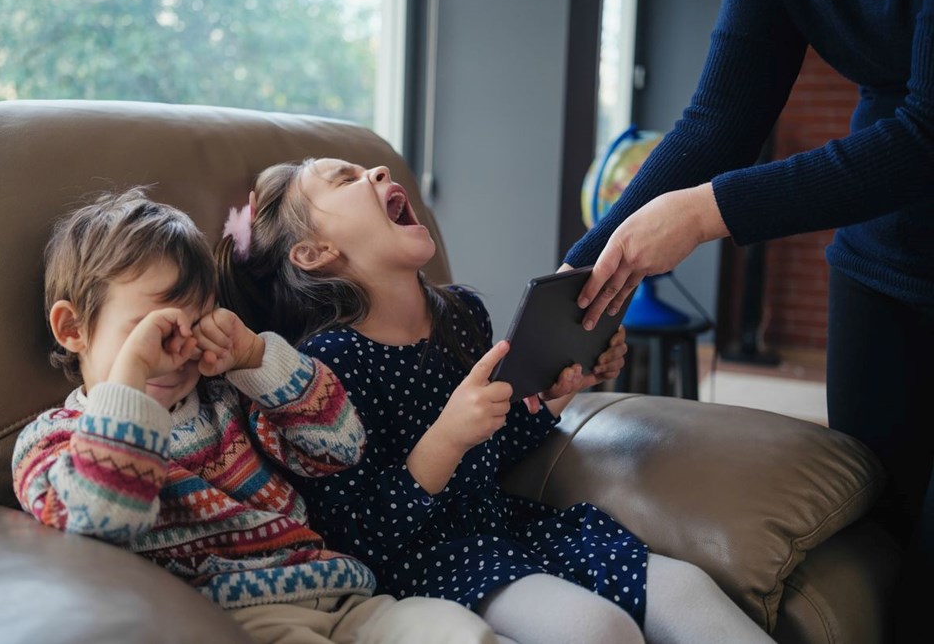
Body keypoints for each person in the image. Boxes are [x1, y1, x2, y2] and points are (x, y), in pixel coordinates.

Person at [215, 157, 776, 644]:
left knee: (685, 589)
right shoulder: (326, 368)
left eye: (369, 169)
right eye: (346, 180)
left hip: (508, 530)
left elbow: (496, 447)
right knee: (596, 630)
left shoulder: (460, 315)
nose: (377, 172)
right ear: (315, 253)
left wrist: (555, 396)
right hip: (425, 565)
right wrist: (446, 437)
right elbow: (359, 534)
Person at [562, 0, 933, 637]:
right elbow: (718, 119)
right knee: (882, 546)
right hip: (883, 260)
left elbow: (924, 138)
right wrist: (580, 270)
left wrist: (709, 210)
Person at [12, 189, 500, 644]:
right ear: (72, 327)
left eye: (192, 326)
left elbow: (341, 445)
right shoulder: (55, 439)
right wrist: (131, 377)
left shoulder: (228, 399)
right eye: (152, 331)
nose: (177, 353)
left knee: (459, 631)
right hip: (233, 618)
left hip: (345, 596)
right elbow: (102, 520)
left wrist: (257, 357)